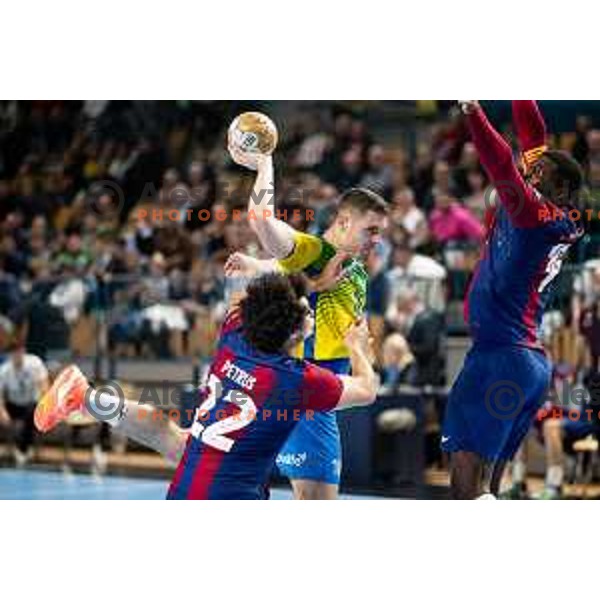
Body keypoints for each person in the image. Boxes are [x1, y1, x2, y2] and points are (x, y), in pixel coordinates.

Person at [34, 271, 379, 500]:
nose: (312, 314)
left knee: (174, 435)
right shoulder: (299, 380)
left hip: (185, 487)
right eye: (306, 312)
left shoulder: (234, 332)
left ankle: (86, 397)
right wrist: (358, 349)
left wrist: (308, 281)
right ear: (291, 333)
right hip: (232, 501)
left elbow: (257, 295)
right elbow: (366, 390)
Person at [229, 142, 388, 499]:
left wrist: (258, 267)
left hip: (318, 392)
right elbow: (261, 221)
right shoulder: (317, 251)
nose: (377, 240)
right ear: (345, 221)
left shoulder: (352, 266)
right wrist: (265, 164)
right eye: (371, 230)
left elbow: (290, 272)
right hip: (307, 390)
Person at [442, 100, 585, 499]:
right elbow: (533, 136)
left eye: (538, 171)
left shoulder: (533, 214)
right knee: (487, 487)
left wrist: (472, 110)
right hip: (524, 360)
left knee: (465, 483)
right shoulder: (550, 210)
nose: (530, 168)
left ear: (559, 188)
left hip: (502, 357)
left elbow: (500, 163)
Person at [0, 343, 49, 467]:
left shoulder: (35, 363)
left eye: (19, 352)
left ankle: (24, 450)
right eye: (14, 354)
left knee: (32, 413)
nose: (17, 356)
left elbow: (44, 385)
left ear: (23, 351)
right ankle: (7, 448)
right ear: (10, 355)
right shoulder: (5, 370)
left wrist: (44, 403)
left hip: (31, 403)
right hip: (13, 404)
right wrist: (2, 411)